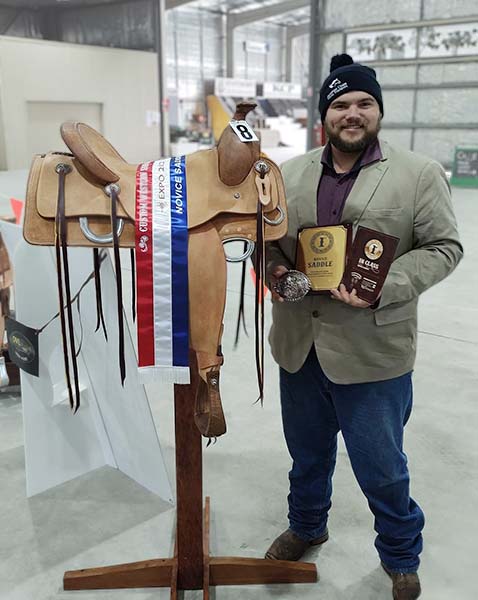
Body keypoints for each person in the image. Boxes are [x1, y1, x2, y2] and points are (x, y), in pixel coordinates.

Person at [264, 54, 463, 600]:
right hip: (299, 346)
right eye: (341, 104)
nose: (352, 113)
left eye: (363, 104)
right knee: (307, 455)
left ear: (378, 111)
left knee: (382, 468)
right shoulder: (289, 174)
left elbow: (446, 248)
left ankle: (400, 555)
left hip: (374, 349)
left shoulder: (417, 174)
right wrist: (276, 271)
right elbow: (268, 247)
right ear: (324, 115)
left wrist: (385, 285)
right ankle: (307, 525)